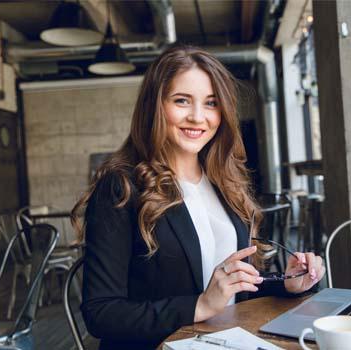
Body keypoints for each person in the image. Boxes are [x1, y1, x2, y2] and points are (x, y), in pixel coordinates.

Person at [71, 45, 325, 349]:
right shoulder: (121, 186)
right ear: (155, 106)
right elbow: (101, 313)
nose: (197, 117)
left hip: (231, 339)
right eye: (181, 101)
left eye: (211, 103)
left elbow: (231, 291)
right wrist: (200, 306)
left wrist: (287, 284)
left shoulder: (224, 181)